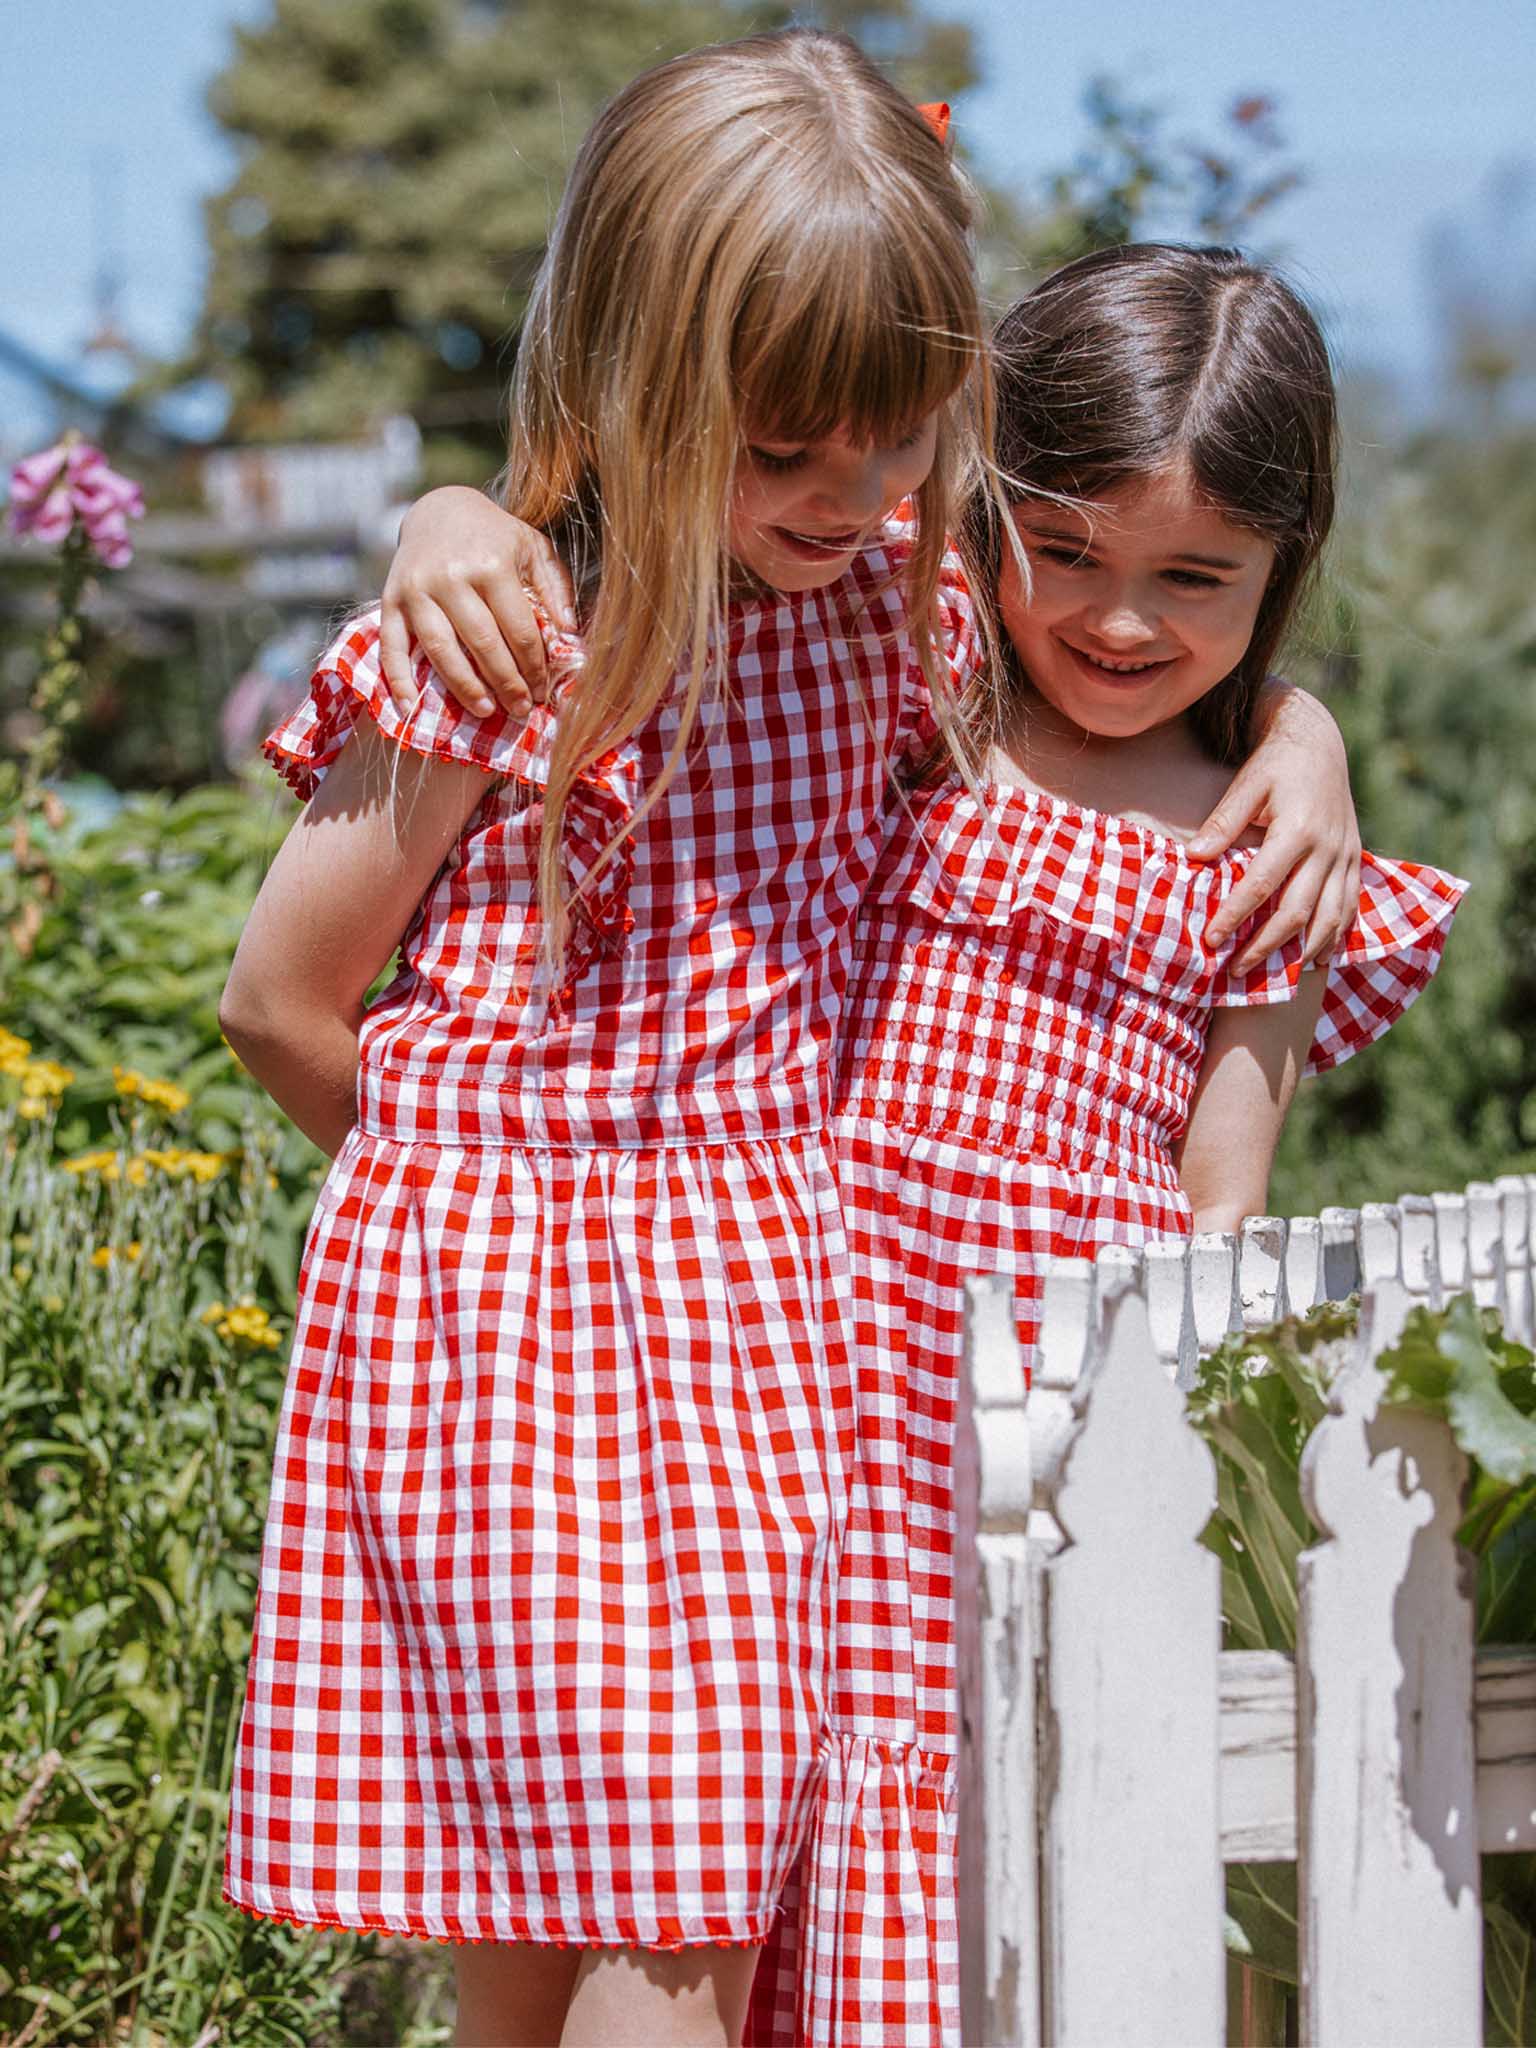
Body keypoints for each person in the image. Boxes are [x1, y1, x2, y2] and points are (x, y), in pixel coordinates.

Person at [218, 30, 1001, 2048]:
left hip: (765, 1297)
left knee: (626, 1899)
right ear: (644, 381)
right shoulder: (513, 640)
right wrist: (483, 1233)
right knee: (633, 1907)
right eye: (786, 448)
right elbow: (283, 998)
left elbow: (1150, 651)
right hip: (530, 1329)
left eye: (895, 438)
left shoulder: (894, 612)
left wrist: (1310, 730)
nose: (852, 493)